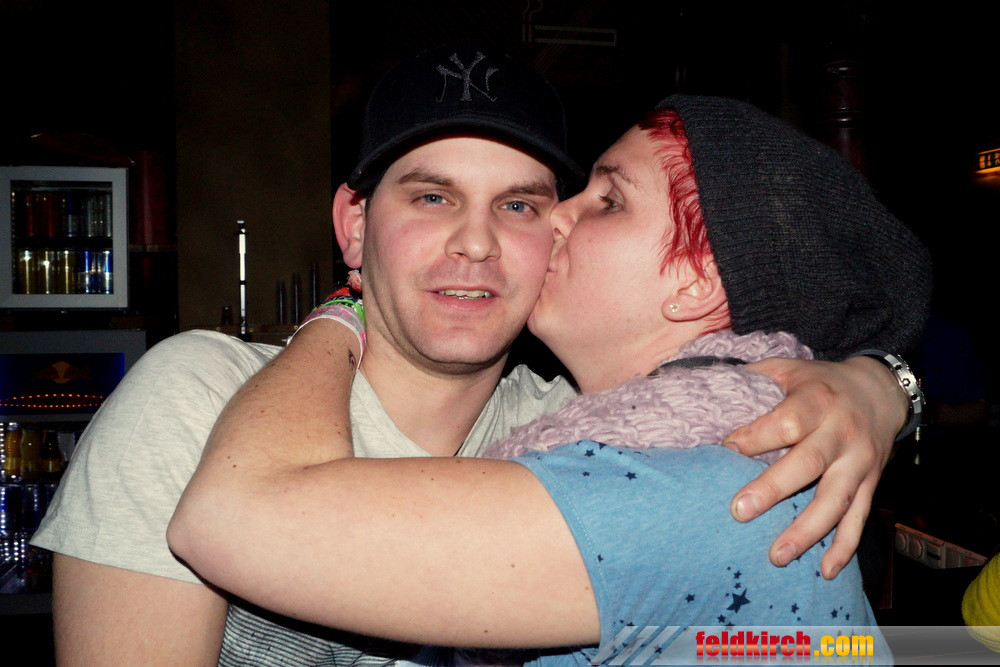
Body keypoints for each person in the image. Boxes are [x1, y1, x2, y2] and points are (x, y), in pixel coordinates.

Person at [34, 42, 919, 664]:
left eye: (523, 205)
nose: (477, 241)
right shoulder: (195, 399)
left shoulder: (604, 438)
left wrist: (880, 383)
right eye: (431, 197)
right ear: (353, 225)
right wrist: (882, 384)